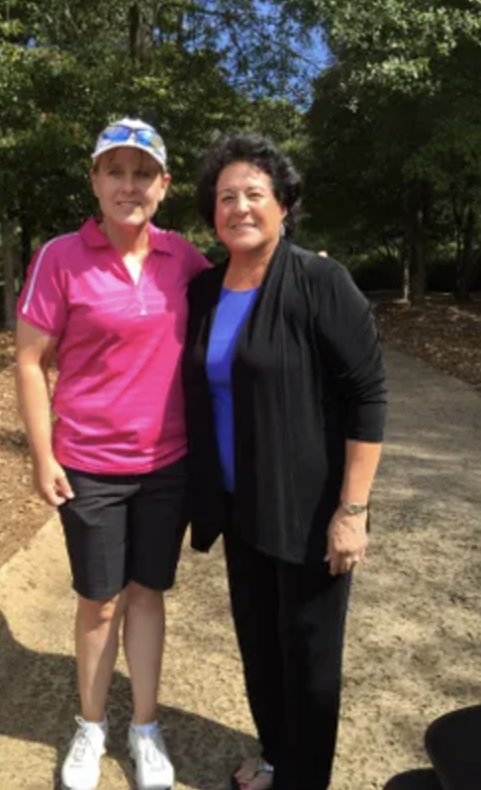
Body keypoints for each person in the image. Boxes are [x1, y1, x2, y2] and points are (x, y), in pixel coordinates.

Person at [183, 133, 387, 790]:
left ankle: (305, 780)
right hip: (242, 507)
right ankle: (275, 756)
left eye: (254, 194)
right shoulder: (205, 291)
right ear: (211, 212)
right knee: (259, 645)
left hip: (307, 510)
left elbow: (367, 394)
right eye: (225, 197)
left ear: (283, 204)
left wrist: (351, 511)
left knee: (309, 653)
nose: (239, 207)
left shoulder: (321, 281)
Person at [16, 118, 209, 790]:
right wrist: (43, 455)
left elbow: (246, 302)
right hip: (90, 464)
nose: (128, 185)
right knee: (100, 602)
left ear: (163, 185)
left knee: (147, 593)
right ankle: (92, 726)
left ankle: (145, 726)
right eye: (115, 171)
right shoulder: (59, 257)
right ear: (95, 180)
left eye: (142, 173)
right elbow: (30, 358)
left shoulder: (186, 261)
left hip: (168, 465)